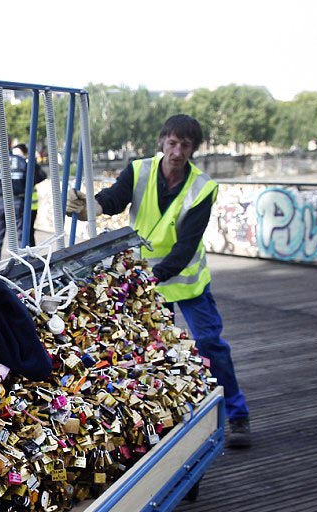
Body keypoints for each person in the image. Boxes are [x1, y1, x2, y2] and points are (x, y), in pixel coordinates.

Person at [66, 114, 251, 448]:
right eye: (172, 142)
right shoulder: (140, 170)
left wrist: (146, 278)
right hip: (148, 282)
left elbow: (185, 247)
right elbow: (112, 199)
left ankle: (238, 415)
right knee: (156, 351)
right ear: (162, 141)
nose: (177, 151)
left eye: (185, 145)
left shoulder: (202, 187)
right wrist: (86, 209)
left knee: (210, 345)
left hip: (185, 281)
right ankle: (168, 418)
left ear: (193, 149)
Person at [0, 145, 28, 262]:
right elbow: (30, 179)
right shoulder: (19, 161)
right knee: (18, 234)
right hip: (16, 200)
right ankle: (19, 262)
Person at [13, 143, 47, 248]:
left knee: (28, 231)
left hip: (30, 205)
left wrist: (31, 163)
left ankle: (30, 253)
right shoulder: (15, 167)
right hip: (19, 204)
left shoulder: (28, 165)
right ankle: (27, 252)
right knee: (21, 231)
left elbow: (42, 175)